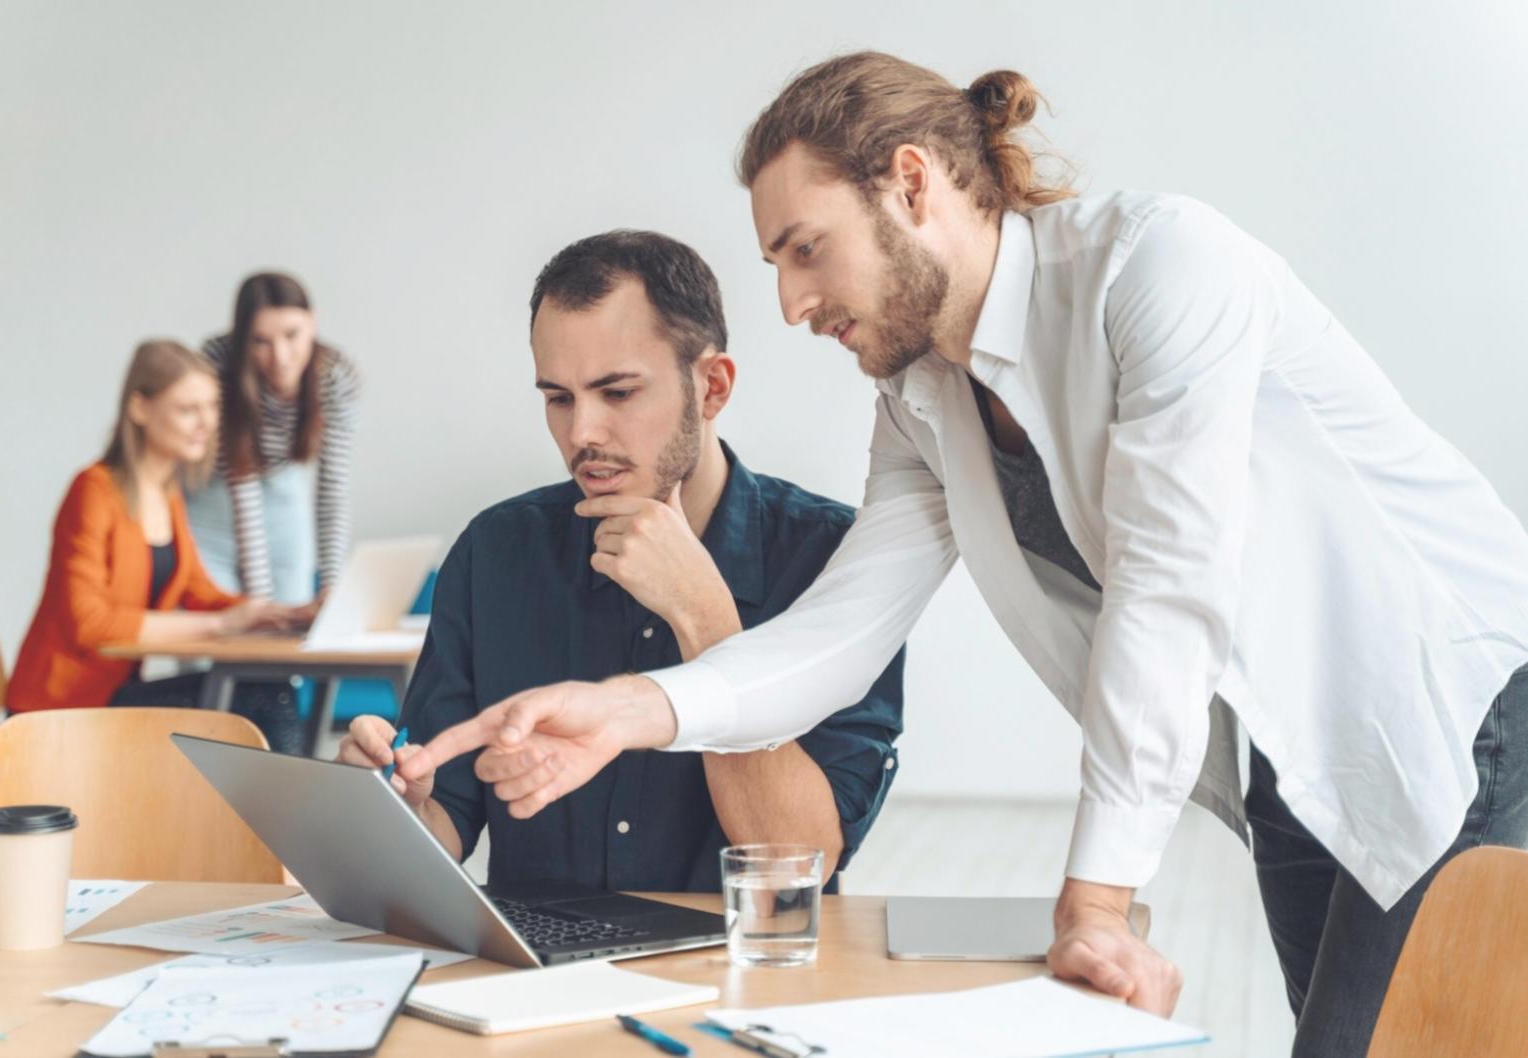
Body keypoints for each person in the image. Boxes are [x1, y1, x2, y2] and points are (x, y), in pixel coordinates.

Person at [402, 53, 1528, 1057]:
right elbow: (837, 634)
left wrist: (1094, 902)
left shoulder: (1159, 267)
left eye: (806, 250)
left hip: (1454, 707)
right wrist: (626, 709)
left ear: (910, 183)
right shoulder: (922, 400)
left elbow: (1168, 592)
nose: (790, 302)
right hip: (1289, 760)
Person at [337, 231, 905, 892]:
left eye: (618, 393)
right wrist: (396, 810)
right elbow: (448, 821)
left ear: (712, 387)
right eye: (558, 398)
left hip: (733, 953)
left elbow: (797, 864)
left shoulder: (832, 560)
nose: (582, 433)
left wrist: (703, 618)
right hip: (534, 957)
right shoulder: (495, 552)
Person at [5, 340, 303, 748]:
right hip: (60, 707)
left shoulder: (167, 493)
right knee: (261, 695)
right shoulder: (93, 491)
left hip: (112, 697)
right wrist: (219, 626)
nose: (206, 422)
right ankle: (292, 794)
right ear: (140, 408)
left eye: (212, 407)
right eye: (188, 409)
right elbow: (89, 624)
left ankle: (283, 793)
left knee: (266, 688)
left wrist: (286, 614)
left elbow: (199, 593)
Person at [188, 272, 359, 605]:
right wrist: (260, 603)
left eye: (292, 335)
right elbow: (241, 480)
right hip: (215, 499)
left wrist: (332, 586)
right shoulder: (218, 361)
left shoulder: (336, 377)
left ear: (313, 322)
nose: (280, 357)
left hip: (283, 497)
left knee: (290, 618)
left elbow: (333, 489)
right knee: (220, 622)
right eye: (260, 341)